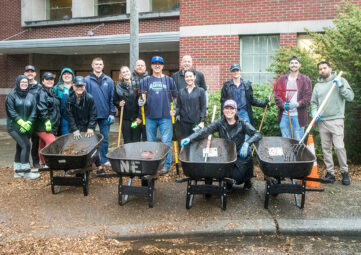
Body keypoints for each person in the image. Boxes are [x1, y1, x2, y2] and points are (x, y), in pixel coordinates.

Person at [181, 99, 262, 189]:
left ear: (235, 110)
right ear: (223, 110)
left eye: (232, 108)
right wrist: (189, 138)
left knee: (240, 175)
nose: (229, 111)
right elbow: (205, 131)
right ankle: (228, 183)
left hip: (239, 152)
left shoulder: (242, 123)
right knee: (223, 172)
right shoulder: (220, 122)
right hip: (225, 154)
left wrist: (247, 143)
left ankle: (247, 181)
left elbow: (257, 134)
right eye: (226, 108)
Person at [310, 61, 354, 185]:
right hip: (322, 121)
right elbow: (313, 103)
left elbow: (350, 97)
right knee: (326, 148)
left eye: (324, 68)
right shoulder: (318, 85)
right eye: (320, 69)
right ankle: (330, 173)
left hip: (336, 119)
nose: (322, 70)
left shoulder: (340, 80)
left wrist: (341, 86)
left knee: (339, 147)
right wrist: (314, 113)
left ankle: (345, 172)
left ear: (330, 68)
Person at [140, 56, 178, 175]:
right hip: (150, 116)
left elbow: (175, 97)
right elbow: (143, 96)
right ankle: (152, 165)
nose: (157, 65)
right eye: (155, 63)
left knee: (166, 142)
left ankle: (166, 166)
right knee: (151, 142)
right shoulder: (145, 81)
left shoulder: (169, 80)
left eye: (159, 64)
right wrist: (142, 101)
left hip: (165, 117)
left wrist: (175, 109)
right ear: (151, 66)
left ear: (163, 66)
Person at [85, 57, 116, 175]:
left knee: (105, 139)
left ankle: (103, 159)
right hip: (91, 116)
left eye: (100, 64)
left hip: (105, 115)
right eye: (96, 64)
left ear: (103, 66)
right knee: (89, 140)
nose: (98, 66)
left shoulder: (109, 80)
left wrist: (112, 113)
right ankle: (90, 161)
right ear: (92, 66)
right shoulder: (86, 80)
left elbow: (112, 98)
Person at [6, 75, 40, 179]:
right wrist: (22, 123)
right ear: (18, 83)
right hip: (14, 127)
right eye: (22, 82)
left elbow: (34, 111)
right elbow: (11, 112)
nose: (24, 84)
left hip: (26, 126)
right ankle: (26, 172)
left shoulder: (31, 96)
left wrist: (28, 123)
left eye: (26, 82)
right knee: (26, 145)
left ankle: (18, 171)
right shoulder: (11, 96)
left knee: (20, 146)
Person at [274, 56, 312, 140]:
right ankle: (288, 154)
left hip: (299, 117)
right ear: (289, 65)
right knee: (285, 141)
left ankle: (297, 154)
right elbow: (277, 96)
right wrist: (283, 105)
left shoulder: (305, 80)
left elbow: (307, 97)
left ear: (300, 65)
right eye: (292, 63)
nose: (294, 65)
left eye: (296, 63)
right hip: (284, 116)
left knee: (298, 142)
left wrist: (297, 104)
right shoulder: (282, 79)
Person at [35, 72, 61, 168]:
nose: (50, 81)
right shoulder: (41, 92)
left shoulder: (52, 92)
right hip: (42, 124)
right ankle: (49, 163)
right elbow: (42, 109)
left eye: (51, 79)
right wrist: (47, 121)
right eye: (47, 79)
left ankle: (44, 163)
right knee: (51, 142)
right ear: (43, 81)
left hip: (51, 123)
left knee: (42, 144)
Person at [114, 66, 142, 144]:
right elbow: (115, 100)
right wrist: (118, 103)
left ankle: (136, 156)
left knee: (135, 140)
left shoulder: (136, 85)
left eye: (127, 71)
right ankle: (128, 156)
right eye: (123, 72)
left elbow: (141, 102)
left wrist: (139, 117)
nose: (126, 73)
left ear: (130, 72)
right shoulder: (118, 86)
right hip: (124, 119)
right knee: (127, 140)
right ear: (121, 75)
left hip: (135, 119)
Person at [176, 69, 207, 138]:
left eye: (190, 76)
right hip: (184, 123)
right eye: (187, 77)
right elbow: (178, 107)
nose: (189, 78)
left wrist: (202, 121)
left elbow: (203, 107)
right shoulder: (181, 92)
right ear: (184, 78)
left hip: (196, 123)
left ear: (194, 77)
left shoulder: (201, 91)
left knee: (196, 143)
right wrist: (174, 112)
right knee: (185, 143)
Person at [24, 65, 42, 168]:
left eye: (32, 71)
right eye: (27, 72)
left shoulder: (39, 87)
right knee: (24, 143)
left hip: (35, 120)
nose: (30, 73)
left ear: (35, 73)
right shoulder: (22, 85)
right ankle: (25, 162)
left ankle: (36, 162)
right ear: (24, 73)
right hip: (24, 119)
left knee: (35, 143)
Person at [54, 68, 75, 135]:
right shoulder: (57, 88)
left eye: (69, 74)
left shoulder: (77, 87)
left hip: (76, 117)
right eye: (64, 74)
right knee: (65, 136)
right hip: (63, 117)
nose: (67, 75)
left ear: (72, 76)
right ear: (61, 76)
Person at [132, 59, 149, 141]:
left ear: (145, 67)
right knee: (135, 138)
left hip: (146, 116)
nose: (140, 67)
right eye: (138, 65)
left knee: (146, 139)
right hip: (133, 116)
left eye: (142, 65)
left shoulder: (149, 79)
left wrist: (141, 116)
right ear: (135, 67)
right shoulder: (130, 79)